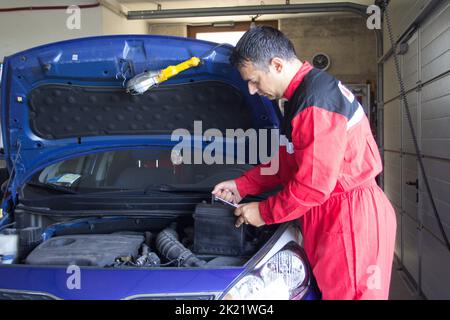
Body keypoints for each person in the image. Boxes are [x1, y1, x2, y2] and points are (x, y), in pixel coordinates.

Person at [212, 26, 396, 300]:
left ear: (276, 64)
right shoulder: (306, 95)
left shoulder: (314, 102)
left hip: (349, 218)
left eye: (253, 80)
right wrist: (243, 184)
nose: (251, 90)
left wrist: (264, 212)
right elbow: (292, 161)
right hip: (335, 213)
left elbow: (312, 185)